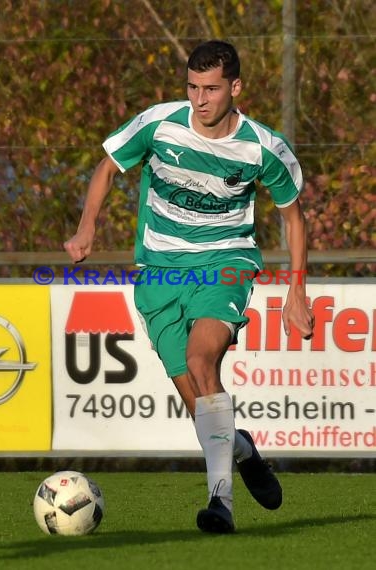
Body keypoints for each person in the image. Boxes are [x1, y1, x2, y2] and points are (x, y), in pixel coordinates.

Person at [64, 40, 314, 533]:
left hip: (225, 264)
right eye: (193, 88)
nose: (200, 100)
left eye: (212, 89)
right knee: (200, 404)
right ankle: (242, 450)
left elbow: (293, 216)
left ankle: (220, 504)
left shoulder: (263, 147)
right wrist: (87, 224)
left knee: (203, 361)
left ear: (235, 88)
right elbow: (108, 166)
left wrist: (296, 290)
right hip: (158, 273)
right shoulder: (159, 123)